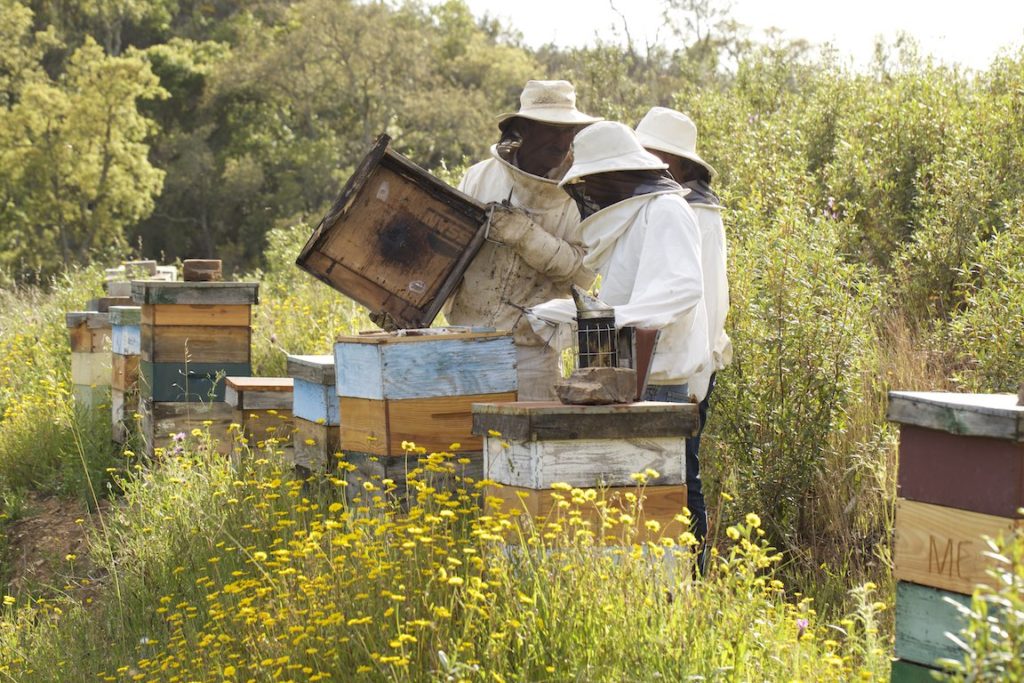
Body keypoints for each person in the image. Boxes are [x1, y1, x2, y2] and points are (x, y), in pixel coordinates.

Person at [557, 120, 712, 567]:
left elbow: (681, 290)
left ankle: (680, 591)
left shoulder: (666, 209)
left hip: (660, 381)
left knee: (658, 504)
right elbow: (630, 296)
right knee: (632, 502)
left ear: (614, 175)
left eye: (592, 182)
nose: (589, 193)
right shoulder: (641, 214)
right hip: (632, 378)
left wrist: (618, 315)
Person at [444, 80, 602, 400]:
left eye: (567, 130)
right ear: (523, 129)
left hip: (532, 356)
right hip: (464, 343)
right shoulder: (478, 177)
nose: (561, 140)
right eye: (550, 128)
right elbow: (447, 253)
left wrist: (528, 237)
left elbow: (584, 273)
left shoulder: (584, 192)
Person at [636, 107, 730, 564]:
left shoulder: (692, 214)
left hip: (685, 365)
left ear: (679, 164)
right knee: (673, 472)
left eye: (654, 157)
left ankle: (693, 574)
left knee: (681, 473)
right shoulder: (682, 209)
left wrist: (694, 375)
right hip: (685, 361)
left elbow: (698, 300)